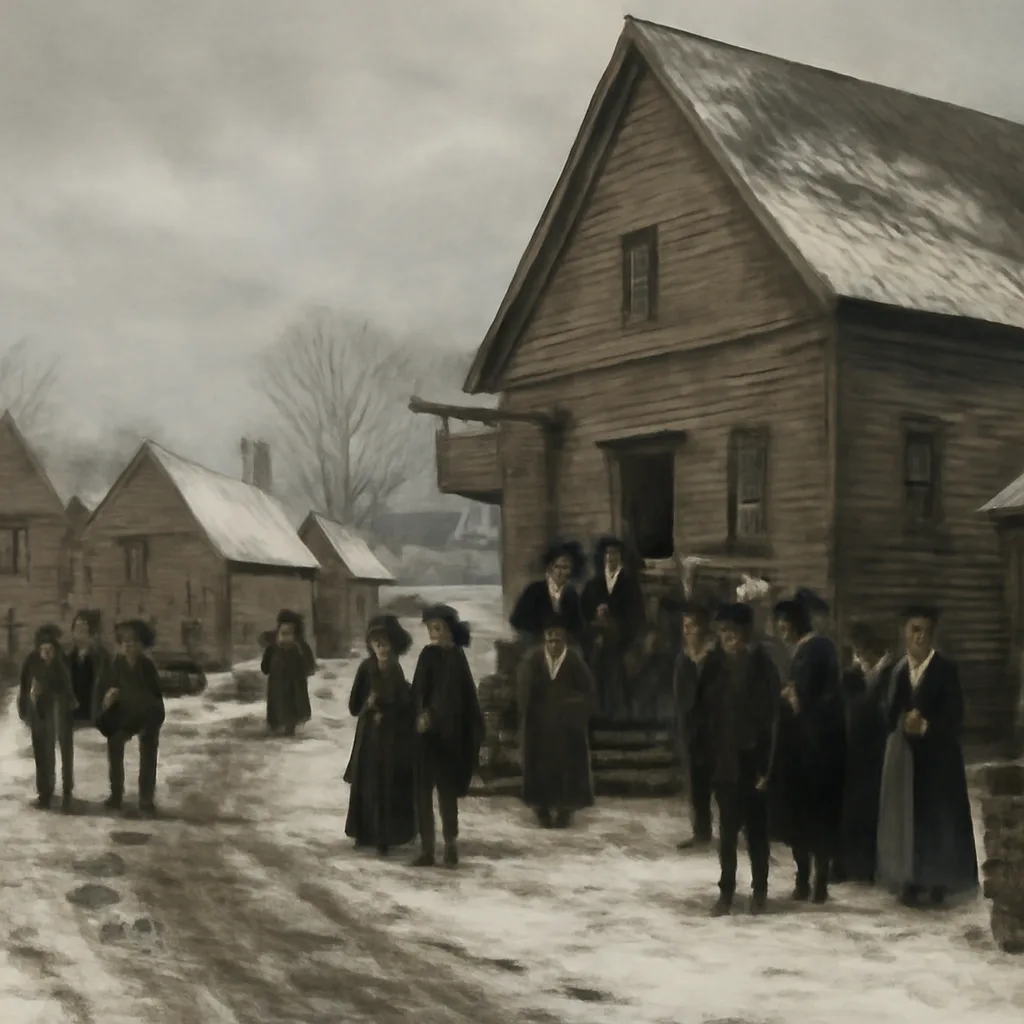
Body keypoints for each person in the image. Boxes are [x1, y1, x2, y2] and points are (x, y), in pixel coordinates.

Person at [878, 605, 978, 907]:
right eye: (914, 630)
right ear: (905, 633)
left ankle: (938, 882)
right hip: (908, 760)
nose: (920, 637)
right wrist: (902, 720)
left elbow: (956, 715)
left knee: (938, 820)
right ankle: (911, 880)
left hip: (939, 760)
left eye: (925, 631)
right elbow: (888, 712)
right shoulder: (898, 671)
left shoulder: (946, 669)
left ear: (933, 634)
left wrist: (929, 726)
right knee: (911, 820)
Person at [770, 592, 846, 903]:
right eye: (778, 624)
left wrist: (793, 697)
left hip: (817, 745)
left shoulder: (817, 649)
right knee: (803, 816)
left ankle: (818, 883)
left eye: (785, 624)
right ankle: (805, 880)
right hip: (803, 745)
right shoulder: (805, 650)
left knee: (816, 814)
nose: (781, 630)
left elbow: (813, 696)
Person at [708, 603, 779, 915]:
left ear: (745, 633)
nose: (727, 638)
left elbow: (772, 719)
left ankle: (760, 890)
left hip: (754, 763)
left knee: (757, 833)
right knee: (726, 833)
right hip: (725, 762)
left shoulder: (762, 667)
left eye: (732, 632)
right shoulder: (714, 664)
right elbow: (702, 711)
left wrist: (767, 767)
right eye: (723, 632)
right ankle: (726, 892)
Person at [410, 604, 484, 868]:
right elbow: (418, 690)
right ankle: (427, 848)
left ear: (450, 630)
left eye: (438, 628)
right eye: (431, 628)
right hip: (425, 737)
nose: (434, 633)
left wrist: (437, 715)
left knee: (446, 793)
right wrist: (420, 714)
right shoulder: (426, 656)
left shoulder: (457, 659)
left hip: (448, 736)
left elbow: (460, 698)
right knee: (421, 793)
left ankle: (450, 844)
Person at [344, 614, 417, 856]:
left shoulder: (395, 667)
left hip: (392, 737)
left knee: (389, 784)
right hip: (369, 736)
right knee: (368, 783)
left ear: (394, 645)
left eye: (385, 643)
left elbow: (404, 702)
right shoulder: (365, 668)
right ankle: (365, 833)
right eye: (376, 643)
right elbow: (354, 706)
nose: (381, 648)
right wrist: (369, 703)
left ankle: (388, 836)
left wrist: (399, 704)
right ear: (370, 645)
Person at [517, 611, 599, 828]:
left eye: (558, 640)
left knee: (566, 767)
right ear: (545, 639)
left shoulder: (573, 661)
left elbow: (589, 693)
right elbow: (523, 690)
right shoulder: (534, 660)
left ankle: (565, 809)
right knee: (540, 765)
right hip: (540, 725)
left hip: (566, 726)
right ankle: (541, 808)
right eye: (550, 640)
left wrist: (571, 706)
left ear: (565, 640)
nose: (553, 645)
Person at [839, 619, 896, 884]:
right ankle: (855, 866)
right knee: (856, 809)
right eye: (856, 648)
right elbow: (851, 709)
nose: (859, 653)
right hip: (856, 750)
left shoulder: (889, 673)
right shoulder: (851, 675)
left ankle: (872, 866)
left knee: (877, 809)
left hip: (881, 748)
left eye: (863, 648)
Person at [95, 619, 166, 816]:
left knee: (149, 744)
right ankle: (116, 793)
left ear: (142, 645)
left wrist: (134, 699)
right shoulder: (114, 664)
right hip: (123, 715)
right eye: (124, 641)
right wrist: (107, 698)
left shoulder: (147, 667)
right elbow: (102, 689)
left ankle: (146, 797)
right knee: (115, 741)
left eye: (133, 641)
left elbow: (155, 697)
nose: (128, 645)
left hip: (147, 715)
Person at [673, 599, 724, 850]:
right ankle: (701, 832)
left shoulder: (717, 656)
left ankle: (730, 831)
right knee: (696, 784)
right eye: (684, 626)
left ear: (704, 628)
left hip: (715, 729)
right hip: (692, 730)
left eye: (691, 626)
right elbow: (679, 693)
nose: (687, 631)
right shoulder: (684, 659)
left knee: (722, 783)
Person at [580, 535, 646, 721]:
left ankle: (617, 716)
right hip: (596, 640)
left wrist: (613, 622)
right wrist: (596, 618)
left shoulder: (630, 584)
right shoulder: (594, 584)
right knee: (593, 663)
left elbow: (637, 616)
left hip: (622, 642)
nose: (611, 557)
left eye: (615, 553)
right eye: (608, 553)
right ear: (603, 556)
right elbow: (583, 612)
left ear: (621, 556)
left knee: (616, 666)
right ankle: (595, 714)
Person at [19, 624, 76, 812]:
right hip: (39, 714)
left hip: (59, 713)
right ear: (38, 648)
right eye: (43, 648)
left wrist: (49, 691)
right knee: (42, 753)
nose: (47, 652)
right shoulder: (31, 661)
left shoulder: (61, 661)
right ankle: (45, 793)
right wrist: (25, 710)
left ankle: (67, 791)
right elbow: (24, 685)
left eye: (50, 648)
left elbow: (68, 688)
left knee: (64, 753)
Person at [509, 540, 586, 648]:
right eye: (557, 567)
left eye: (565, 568)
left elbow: (577, 627)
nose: (560, 572)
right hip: (535, 645)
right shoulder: (534, 590)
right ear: (550, 568)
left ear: (571, 571)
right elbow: (516, 621)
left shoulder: (571, 595)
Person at [261, 609, 316, 736]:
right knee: (277, 726)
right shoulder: (273, 648)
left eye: (288, 632)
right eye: (283, 632)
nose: (285, 636)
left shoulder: (300, 648)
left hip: (293, 694)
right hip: (278, 694)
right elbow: (265, 668)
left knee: (288, 728)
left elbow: (310, 668)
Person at [66, 609, 111, 726]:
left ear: (93, 632)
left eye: (83, 628)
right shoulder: (67, 659)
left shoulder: (103, 659)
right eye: (76, 627)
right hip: (71, 722)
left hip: (95, 723)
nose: (78, 631)